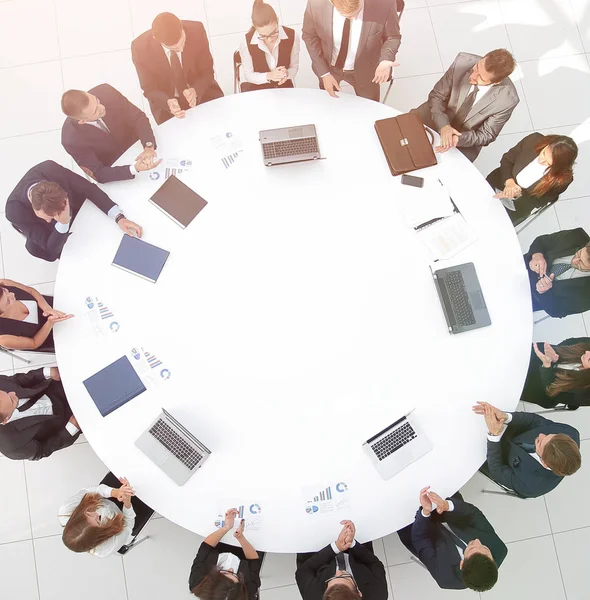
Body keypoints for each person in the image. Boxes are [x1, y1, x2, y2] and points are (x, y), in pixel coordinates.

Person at [5, 160, 143, 262]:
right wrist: (63, 222)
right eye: (46, 216)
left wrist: (119, 217)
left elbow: (89, 189)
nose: (48, 219)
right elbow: (51, 248)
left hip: (79, 213)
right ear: (34, 207)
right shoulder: (14, 210)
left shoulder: (50, 169)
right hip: (53, 237)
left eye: (54, 215)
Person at [414, 49, 518, 162]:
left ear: (496, 82)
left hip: (465, 139)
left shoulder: (507, 100)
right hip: (435, 115)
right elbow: (437, 96)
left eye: (481, 78)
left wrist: (458, 139)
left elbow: (487, 134)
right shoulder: (462, 61)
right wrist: (444, 126)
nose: (472, 76)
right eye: (477, 67)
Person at [398, 487, 506, 591]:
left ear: (462, 564)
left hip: (419, 530)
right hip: (450, 511)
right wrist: (447, 506)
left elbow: (420, 540)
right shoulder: (498, 548)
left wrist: (425, 512)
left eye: (472, 548)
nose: (477, 541)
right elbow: (474, 513)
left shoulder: (444, 577)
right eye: (485, 548)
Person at [131, 12, 224, 125]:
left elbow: (207, 71)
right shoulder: (140, 48)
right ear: (156, 39)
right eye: (174, 49)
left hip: (202, 90)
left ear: (181, 27)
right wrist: (167, 102)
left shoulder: (197, 30)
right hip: (168, 102)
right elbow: (149, 88)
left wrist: (196, 90)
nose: (180, 49)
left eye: (182, 42)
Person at [473, 401, 581, 498]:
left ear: (544, 463)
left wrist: (494, 435)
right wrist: (506, 417)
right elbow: (536, 422)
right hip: (511, 429)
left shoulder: (531, 486)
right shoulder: (571, 433)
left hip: (491, 457)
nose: (541, 434)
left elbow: (497, 471)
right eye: (549, 435)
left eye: (539, 442)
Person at [302, 0, 401, 102]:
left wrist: (385, 59)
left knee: (370, 110)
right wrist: (324, 73)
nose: (355, 18)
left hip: (366, 69)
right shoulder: (316, 3)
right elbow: (309, 37)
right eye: (348, 16)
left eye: (358, 12)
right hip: (329, 68)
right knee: (329, 105)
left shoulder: (385, 3)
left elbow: (393, 37)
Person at [61, 84, 161, 184]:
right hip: (116, 167)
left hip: (137, 145)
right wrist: (133, 168)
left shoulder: (106, 92)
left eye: (97, 101)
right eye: (95, 111)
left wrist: (148, 145)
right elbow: (98, 173)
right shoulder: (71, 140)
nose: (102, 108)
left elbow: (138, 118)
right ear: (82, 121)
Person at [486, 133, 577, 226]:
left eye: (548, 163)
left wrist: (518, 194)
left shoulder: (562, 180)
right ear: (547, 145)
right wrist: (509, 181)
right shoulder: (533, 140)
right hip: (496, 182)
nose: (541, 161)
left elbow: (540, 201)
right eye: (543, 154)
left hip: (517, 207)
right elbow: (507, 159)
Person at [0, 366, 80, 460]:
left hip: (54, 390)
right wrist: (70, 430)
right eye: (12, 400)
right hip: (65, 421)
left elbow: (19, 380)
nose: (13, 393)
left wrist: (46, 372)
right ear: (5, 420)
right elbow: (43, 449)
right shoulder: (11, 446)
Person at [296, 520, 387, 600]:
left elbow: (303, 571)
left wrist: (335, 548)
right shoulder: (378, 594)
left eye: (332, 578)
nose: (338, 572)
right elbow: (374, 564)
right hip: (356, 547)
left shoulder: (312, 597)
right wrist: (352, 543)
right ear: (359, 593)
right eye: (344, 576)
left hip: (316, 549)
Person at [189, 508, 262, 600]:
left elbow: (206, 547)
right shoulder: (248, 593)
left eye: (225, 572)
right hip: (249, 547)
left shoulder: (198, 582)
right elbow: (254, 560)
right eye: (235, 575)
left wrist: (226, 527)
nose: (231, 569)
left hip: (220, 541)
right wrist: (241, 538)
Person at [59, 476, 135, 557]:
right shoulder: (108, 547)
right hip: (124, 515)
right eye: (98, 520)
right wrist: (127, 502)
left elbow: (89, 492)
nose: (96, 514)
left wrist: (114, 492)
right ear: (99, 534)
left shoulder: (66, 509)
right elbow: (128, 524)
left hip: (105, 496)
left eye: (88, 513)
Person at [524, 227, 590, 318]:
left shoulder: (587, 295)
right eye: (578, 253)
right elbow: (542, 241)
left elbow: (557, 311)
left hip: (530, 299)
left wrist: (544, 293)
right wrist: (537, 255)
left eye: (581, 263)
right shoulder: (577, 236)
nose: (574, 260)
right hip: (522, 268)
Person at [238, 0, 300, 92]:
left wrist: (287, 73)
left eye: (273, 33)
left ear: (277, 21)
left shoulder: (292, 35)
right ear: (255, 27)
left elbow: (294, 67)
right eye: (263, 36)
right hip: (258, 92)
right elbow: (249, 75)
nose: (270, 39)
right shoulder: (246, 42)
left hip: (285, 90)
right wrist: (268, 76)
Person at [0, 279, 73, 351]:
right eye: (8, 301)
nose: (12, 294)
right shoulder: (3, 338)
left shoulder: (3, 283)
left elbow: (30, 291)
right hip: (53, 336)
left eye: (6, 291)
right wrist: (49, 323)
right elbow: (33, 343)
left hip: (53, 305)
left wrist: (47, 308)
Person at [521, 339, 590, 409]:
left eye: (589, 359)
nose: (587, 352)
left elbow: (556, 395)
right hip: (535, 355)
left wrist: (547, 366)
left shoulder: (585, 392)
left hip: (536, 387)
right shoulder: (585, 349)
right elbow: (569, 342)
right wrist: (556, 356)